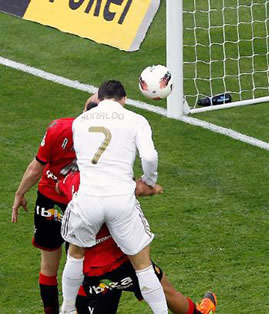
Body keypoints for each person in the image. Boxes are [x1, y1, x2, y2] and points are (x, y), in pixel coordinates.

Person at [60, 80, 168, 313]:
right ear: (124, 99)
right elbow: (149, 157)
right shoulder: (137, 120)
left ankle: (67, 308)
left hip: (88, 198)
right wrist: (148, 182)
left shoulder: (79, 122)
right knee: (143, 266)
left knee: (75, 255)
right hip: (121, 199)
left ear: (98, 98)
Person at [57, 171, 217, 314]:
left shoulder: (74, 180)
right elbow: (136, 188)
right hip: (125, 260)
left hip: (90, 268)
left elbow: (58, 187)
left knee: (78, 298)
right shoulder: (118, 180)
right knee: (164, 290)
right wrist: (150, 188)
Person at [11, 116, 77, 313]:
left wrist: (20, 193)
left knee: (49, 266)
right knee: (80, 263)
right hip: (81, 203)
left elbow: (35, 168)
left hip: (50, 200)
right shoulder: (110, 134)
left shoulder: (59, 127)